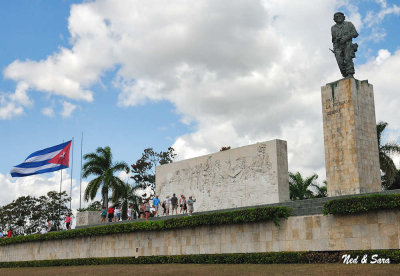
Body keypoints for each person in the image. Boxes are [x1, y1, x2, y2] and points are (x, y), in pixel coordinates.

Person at [331, 12, 358, 78]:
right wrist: (337, 40)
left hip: (347, 44)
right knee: (340, 62)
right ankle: (345, 75)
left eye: (340, 16)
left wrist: (347, 37)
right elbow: (333, 40)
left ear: (343, 17)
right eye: (336, 17)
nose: (338, 17)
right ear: (334, 19)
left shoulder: (349, 24)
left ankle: (350, 73)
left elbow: (355, 34)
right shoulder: (333, 28)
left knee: (348, 58)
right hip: (338, 47)